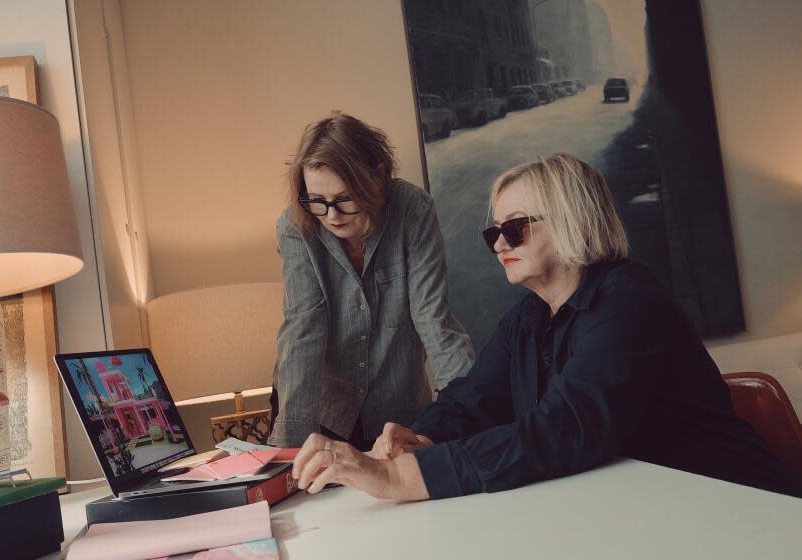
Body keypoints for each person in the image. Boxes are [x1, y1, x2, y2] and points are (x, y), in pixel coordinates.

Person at [291, 153, 801, 500]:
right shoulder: (530, 317)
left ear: (572, 219)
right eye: (494, 231)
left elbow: (566, 428)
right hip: (642, 510)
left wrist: (402, 476)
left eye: (514, 228)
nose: (498, 245)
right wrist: (415, 438)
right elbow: (473, 400)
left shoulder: (630, 301)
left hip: (737, 507)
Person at [267, 112, 474, 450]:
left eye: (344, 198)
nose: (331, 216)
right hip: (321, 412)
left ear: (376, 177)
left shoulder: (412, 211)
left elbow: (434, 321)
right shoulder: (295, 227)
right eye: (317, 201)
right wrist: (287, 454)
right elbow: (304, 330)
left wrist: (473, 416)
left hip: (399, 413)